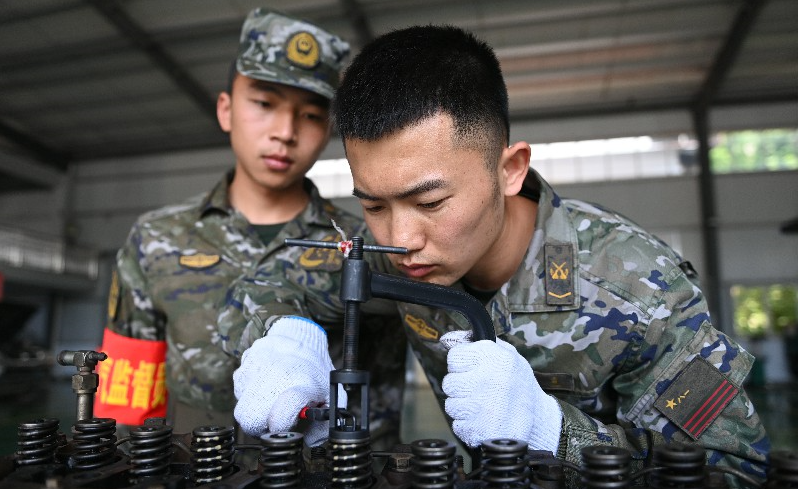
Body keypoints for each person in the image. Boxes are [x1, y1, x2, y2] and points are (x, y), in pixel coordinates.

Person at [232, 24, 770, 485]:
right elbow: (267, 284)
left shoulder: (639, 286)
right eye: (373, 204)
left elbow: (736, 470)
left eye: (430, 201)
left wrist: (554, 433)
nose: (402, 238)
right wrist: (283, 336)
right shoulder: (386, 250)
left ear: (509, 170)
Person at [95, 7, 406, 448]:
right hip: (193, 468)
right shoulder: (155, 240)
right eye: (264, 103)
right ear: (225, 110)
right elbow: (127, 391)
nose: (285, 131)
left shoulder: (366, 242)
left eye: (311, 115)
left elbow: (386, 395)